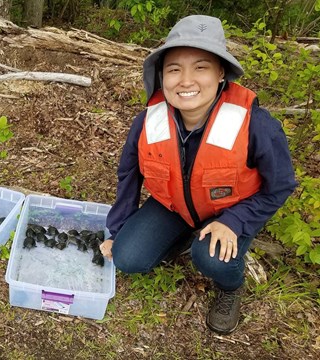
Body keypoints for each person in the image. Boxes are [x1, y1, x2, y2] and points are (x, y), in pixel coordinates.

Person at [99, 15, 297, 335]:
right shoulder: (148, 121)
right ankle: (181, 236)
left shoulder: (256, 125)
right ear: (162, 77)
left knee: (212, 259)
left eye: (201, 67)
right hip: (174, 205)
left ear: (221, 73)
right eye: (174, 68)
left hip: (229, 209)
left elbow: (281, 185)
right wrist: (117, 229)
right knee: (128, 257)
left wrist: (235, 221)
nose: (186, 80)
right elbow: (129, 175)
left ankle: (230, 287)